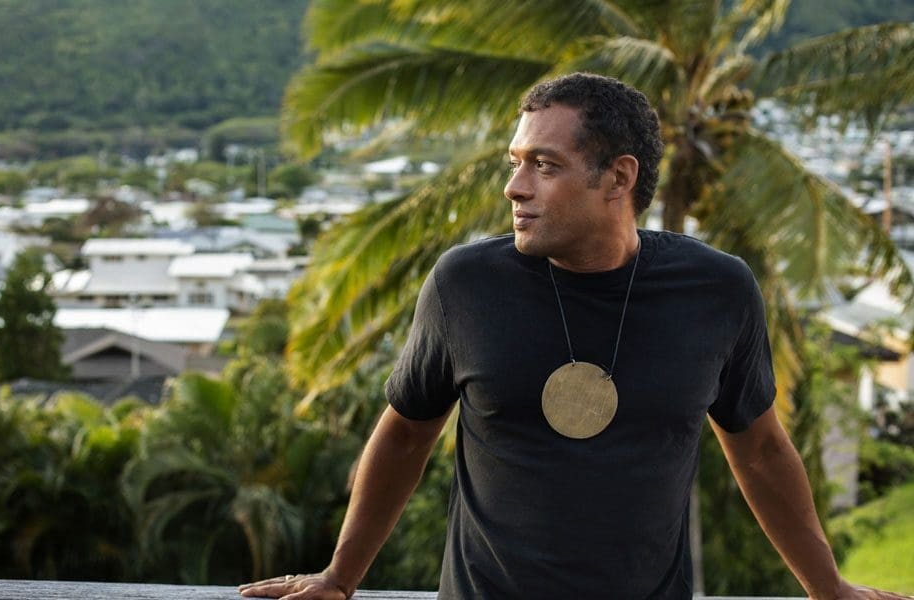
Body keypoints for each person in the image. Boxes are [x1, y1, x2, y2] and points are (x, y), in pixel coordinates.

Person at [239, 73, 910, 600]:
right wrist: (340, 576)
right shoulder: (465, 285)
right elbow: (406, 435)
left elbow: (760, 450)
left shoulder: (716, 290)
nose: (514, 188)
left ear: (618, 177)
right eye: (515, 162)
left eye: (544, 165)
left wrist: (829, 588)